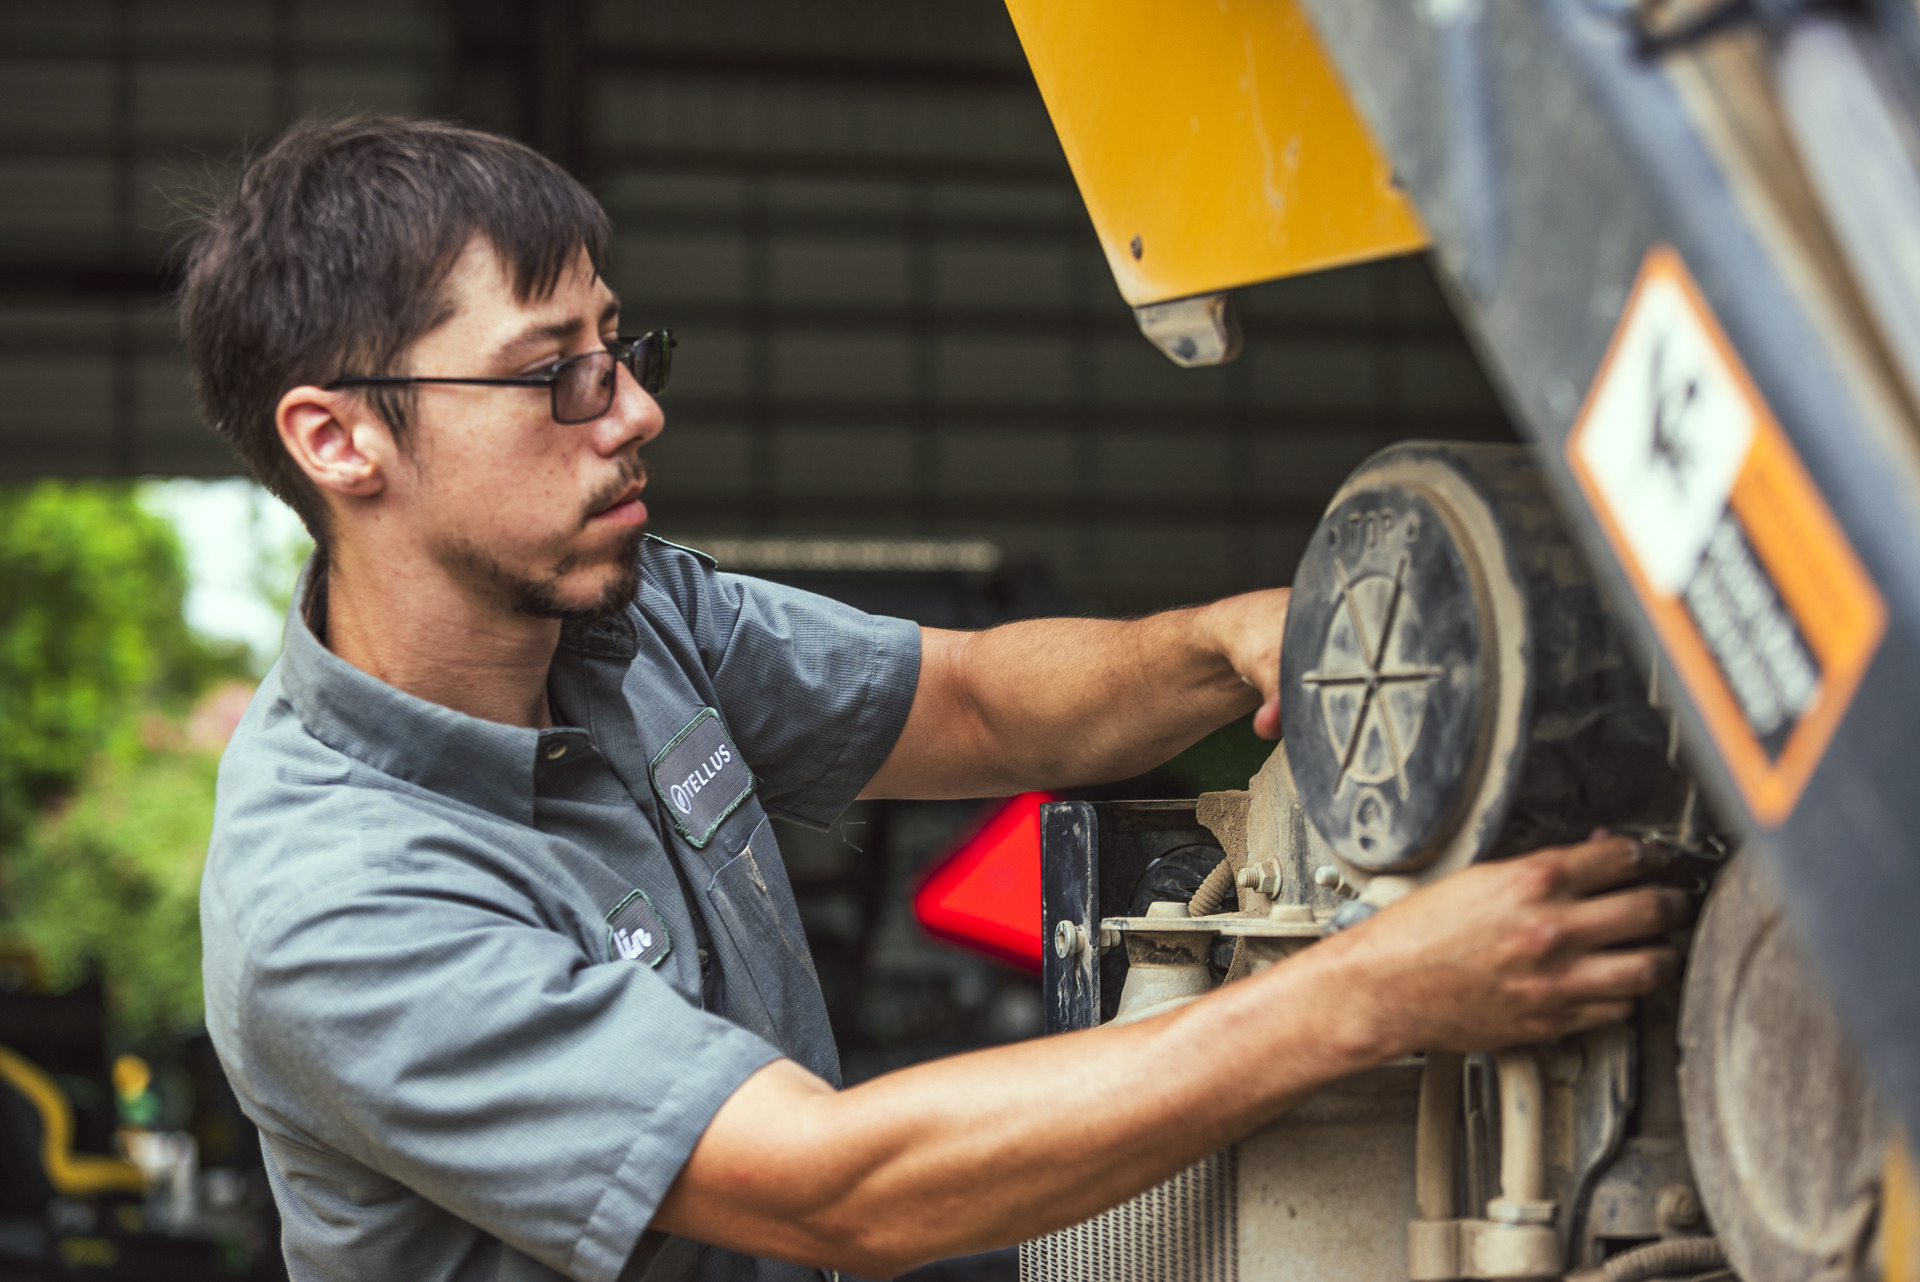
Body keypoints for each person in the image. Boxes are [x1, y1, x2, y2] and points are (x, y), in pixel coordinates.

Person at [186, 117, 1685, 1282]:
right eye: (553, 377)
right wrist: (1368, 994)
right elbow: (837, 1181)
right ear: (339, 440)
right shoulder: (339, 907)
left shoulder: (628, 620)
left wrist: (1221, 642)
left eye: (620, 349)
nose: (635, 410)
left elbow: (965, 699)